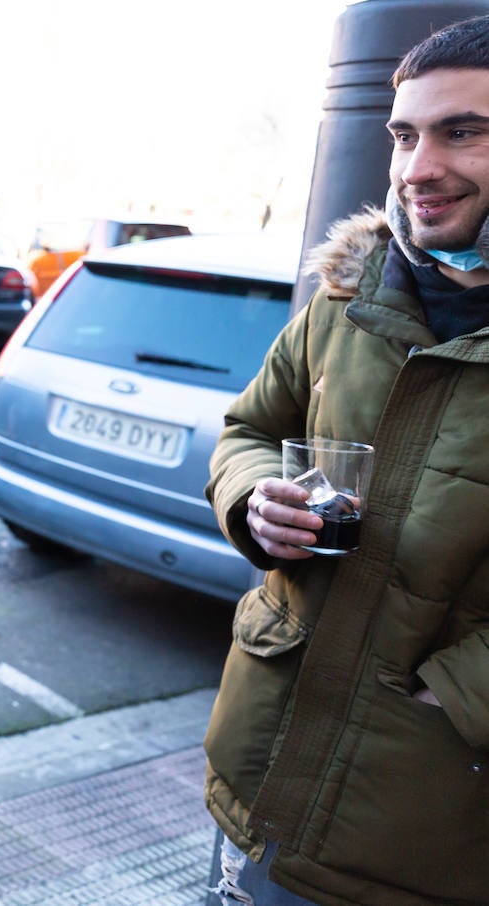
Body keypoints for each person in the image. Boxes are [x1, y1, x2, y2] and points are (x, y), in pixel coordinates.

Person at [203, 15, 489, 905]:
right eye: (404, 134)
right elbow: (248, 429)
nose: (416, 169)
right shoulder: (346, 297)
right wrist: (255, 501)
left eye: (464, 132)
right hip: (255, 783)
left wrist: (458, 695)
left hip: (429, 830)